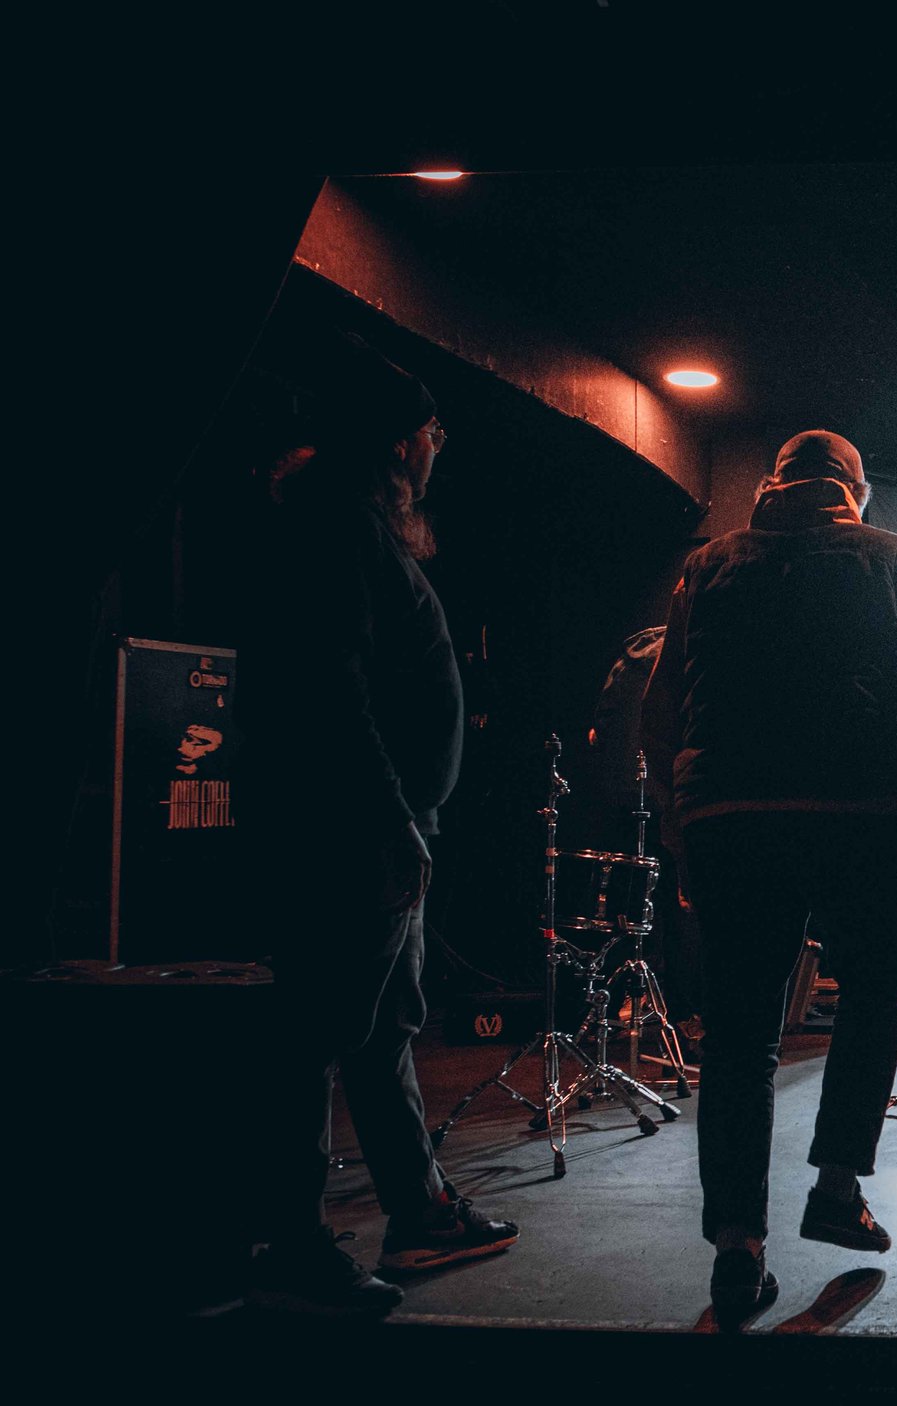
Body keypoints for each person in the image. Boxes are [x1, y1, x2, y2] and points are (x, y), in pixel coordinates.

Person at [642, 430, 897, 1322]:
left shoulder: (709, 566)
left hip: (729, 821)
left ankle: (737, 1245)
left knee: (738, 1038)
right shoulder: (892, 559)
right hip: (853, 816)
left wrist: (683, 827)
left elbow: (659, 713)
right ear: (858, 491)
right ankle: (836, 1188)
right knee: (880, 994)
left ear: (771, 486)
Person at [243, 339, 517, 1315]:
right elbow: (333, 688)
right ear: (404, 440)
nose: (438, 450)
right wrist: (392, 819)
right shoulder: (340, 528)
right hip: (357, 826)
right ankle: (295, 1244)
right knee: (318, 1030)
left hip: (380, 819)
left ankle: (419, 1204)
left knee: (378, 1027)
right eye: (434, 434)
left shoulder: (345, 520)